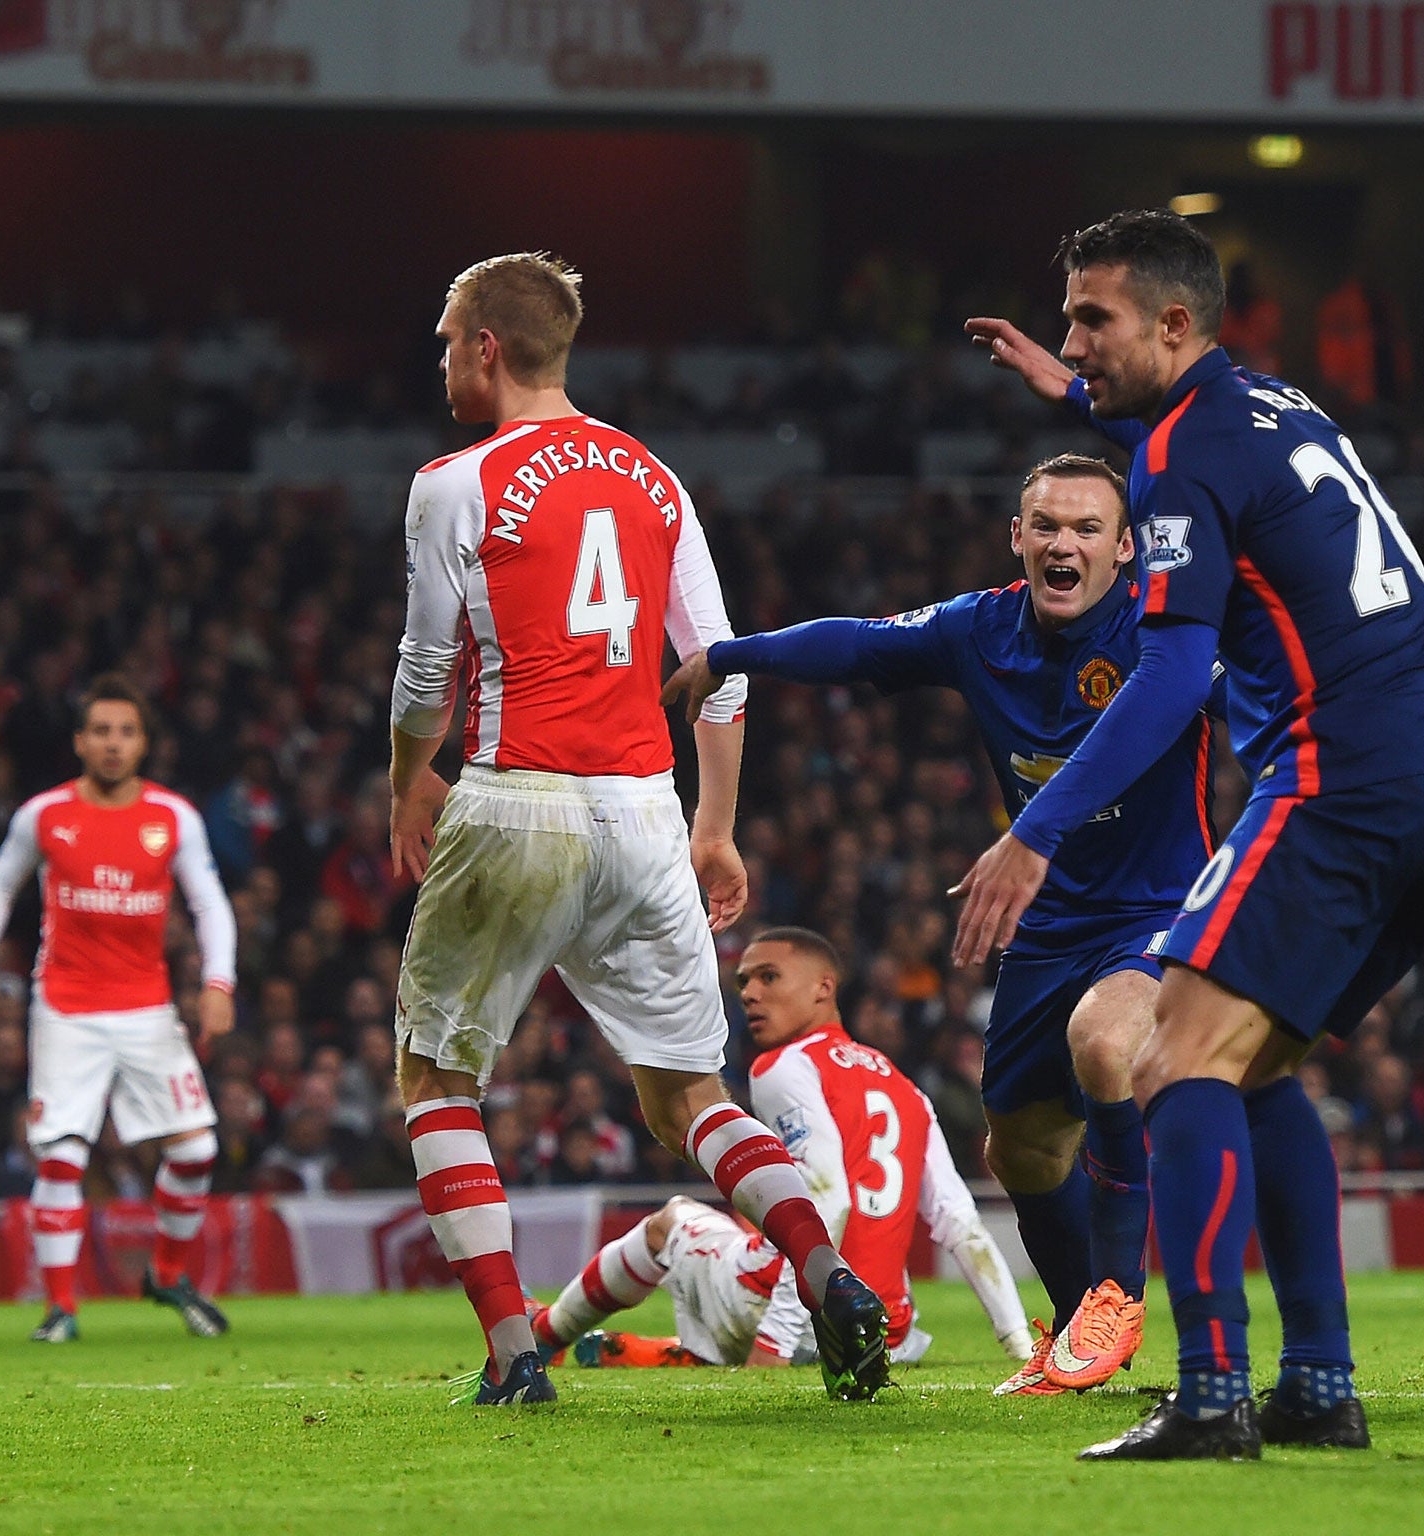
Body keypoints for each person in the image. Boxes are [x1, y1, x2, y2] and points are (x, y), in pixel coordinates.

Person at [964, 208, 1424, 1460]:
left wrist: (1034, 831)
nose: (1068, 338)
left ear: (1172, 321)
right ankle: (1315, 1381)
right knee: (1251, 1066)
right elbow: (1198, 453)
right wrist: (1085, 401)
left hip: (1336, 777)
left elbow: (1166, 677)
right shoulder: (1274, 402)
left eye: (1090, 320)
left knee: (1172, 1064)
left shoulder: (1177, 453)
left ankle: (1209, 1392)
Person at [386, 253, 889, 1408]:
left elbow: (426, 664)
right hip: (644, 813)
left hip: (517, 795)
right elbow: (717, 668)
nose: (440, 358)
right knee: (692, 1098)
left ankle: (516, 1354)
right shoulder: (654, 478)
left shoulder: (452, 481)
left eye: (444, 338)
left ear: (484, 348)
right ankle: (826, 1276)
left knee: (436, 1078)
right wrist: (714, 827)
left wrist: (410, 778)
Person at [665, 454, 1219, 1394]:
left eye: (1088, 529)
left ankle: (1120, 1294)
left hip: (1160, 909)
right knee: (1020, 1146)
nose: (1063, 543)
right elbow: (857, 643)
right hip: (1051, 925)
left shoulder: (1162, 635)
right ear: (1018, 536)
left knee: (1104, 1043)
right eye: (1046, 524)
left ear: (1126, 549)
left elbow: (1160, 723)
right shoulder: (980, 629)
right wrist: (731, 653)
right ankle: (1084, 1332)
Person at [531, 928, 1030, 1372]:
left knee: (674, 1220)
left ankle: (547, 1332)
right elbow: (961, 1223)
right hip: (883, 1334)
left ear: (823, 988)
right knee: (761, 1233)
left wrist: (776, 1339)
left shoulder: (784, 1065)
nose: (750, 993)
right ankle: (667, 1350)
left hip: (795, 1310)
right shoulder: (907, 1089)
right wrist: (1020, 1346)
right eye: (744, 982)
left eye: (769, 978)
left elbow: (826, 1197)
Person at [0, 673, 237, 1343]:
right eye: (102, 732)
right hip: (67, 1009)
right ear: (81, 742)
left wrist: (219, 983)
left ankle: (167, 1274)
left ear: (143, 743)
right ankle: (61, 1308)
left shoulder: (172, 817)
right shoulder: (45, 815)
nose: (114, 744)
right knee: (61, 1156)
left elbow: (209, 903)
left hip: (147, 1009)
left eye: (127, 732)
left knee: (197, 1149)